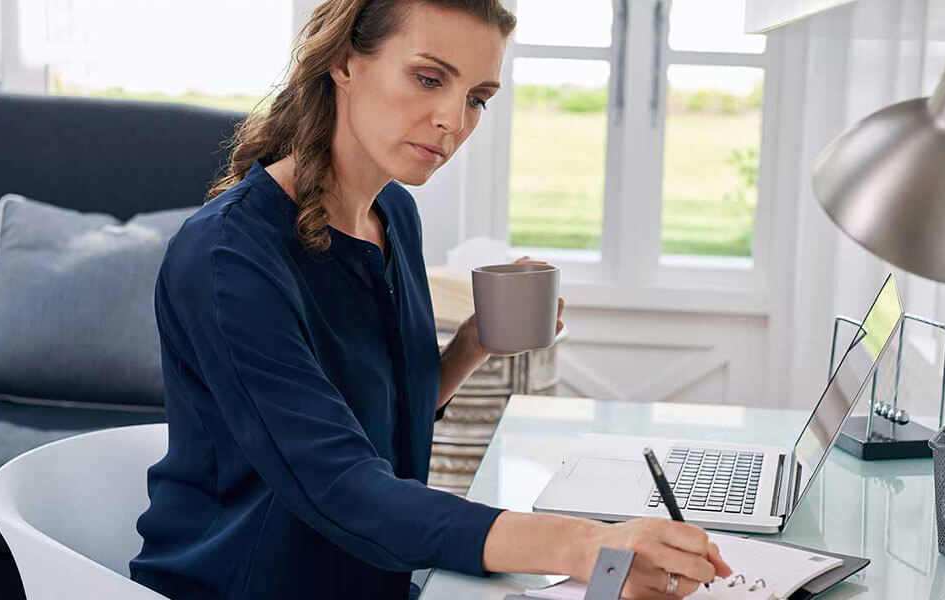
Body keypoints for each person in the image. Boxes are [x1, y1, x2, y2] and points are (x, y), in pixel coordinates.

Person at [129, 1, 732, 599]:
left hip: (371, 578)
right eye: (427, 78)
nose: (453, 119)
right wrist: (582, 545)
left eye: (477, 98)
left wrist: (473, 344)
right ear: (343, 61)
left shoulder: (393, 215)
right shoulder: (228, 258)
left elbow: (380, 420)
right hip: (249, 582)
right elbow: (340, 485)